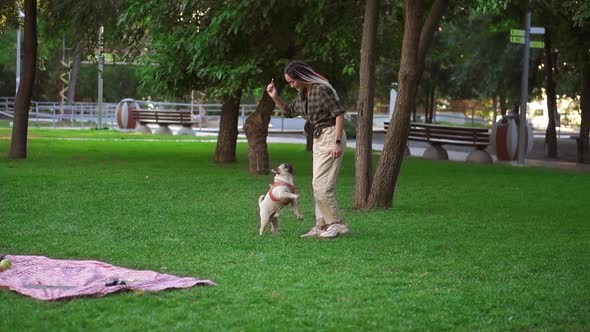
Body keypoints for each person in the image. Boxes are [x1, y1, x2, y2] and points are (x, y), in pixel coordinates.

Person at [266, 60, 348, 238]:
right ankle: (321, 225)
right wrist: (274, 96)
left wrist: (337, 141)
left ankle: (336, 224)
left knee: (322, 185)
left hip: (331, 135)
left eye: (293, 81)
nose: (292, 85)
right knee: (317, 184)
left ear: (302, 76)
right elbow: (288, 111)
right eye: (289, 82)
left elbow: (339, 113)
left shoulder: (320, 89)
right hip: (319, 138)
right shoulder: (304, 94)